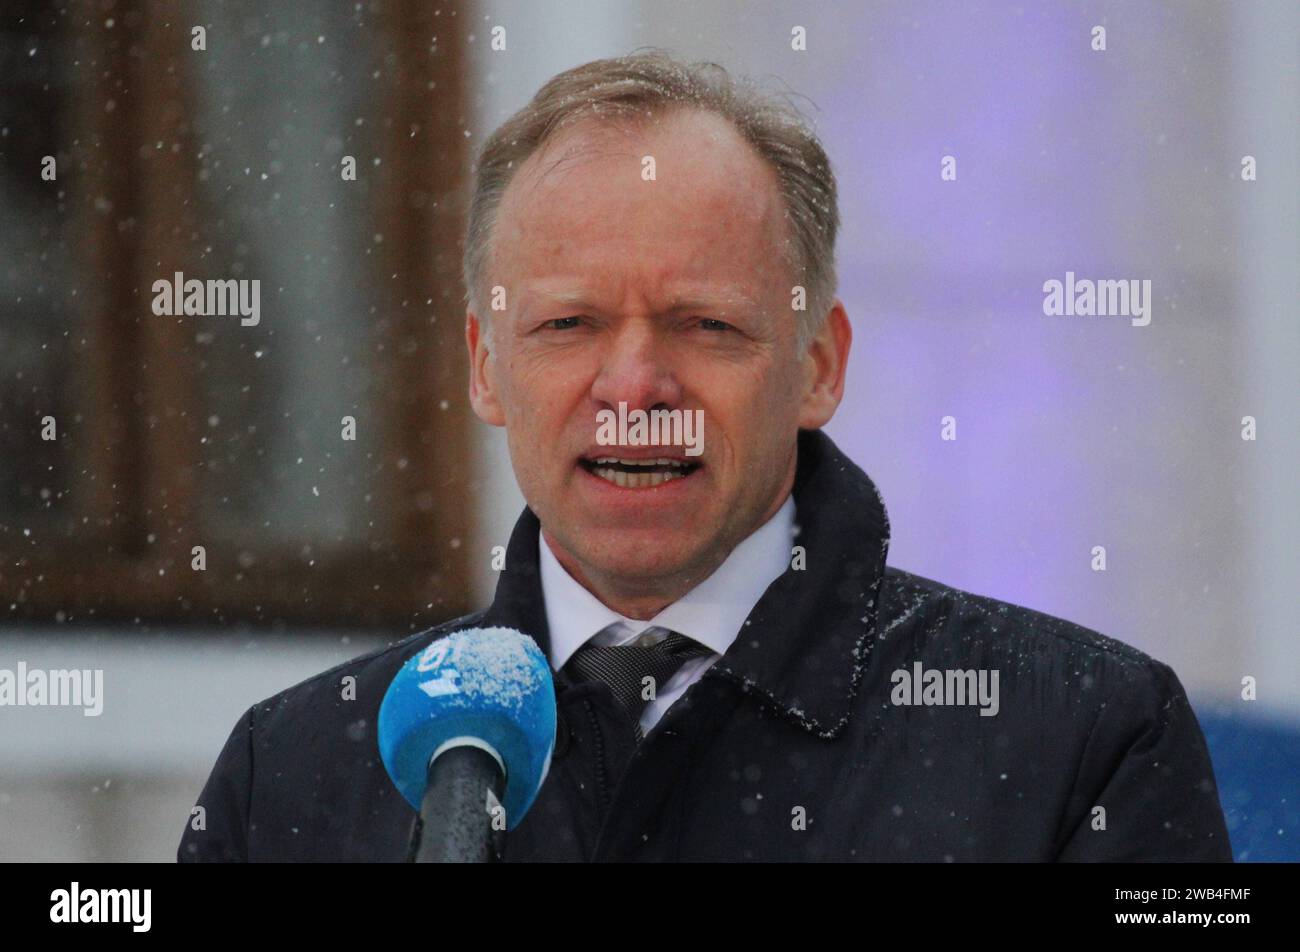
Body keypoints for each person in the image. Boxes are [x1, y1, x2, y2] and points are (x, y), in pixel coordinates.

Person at [178, 51, 1231, 862]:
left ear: (818, 363)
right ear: (486, 367)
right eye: (568, 324)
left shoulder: (1087, 740)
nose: (634, 386)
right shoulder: (293, 775)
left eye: (706, 325)